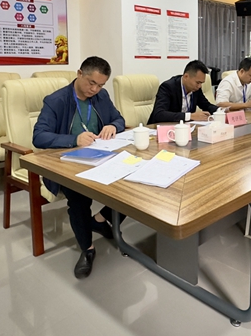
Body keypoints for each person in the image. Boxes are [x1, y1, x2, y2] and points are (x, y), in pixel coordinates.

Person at [32, 56, 126, 279]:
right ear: (79, 74)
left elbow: (119, 119)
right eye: (91, 83)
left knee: (131, 183)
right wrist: (74, 139)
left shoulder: (102, 96)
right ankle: (87, 249)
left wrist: (113, 126)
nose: (95, 89)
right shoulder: (56, 101)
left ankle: (100, 220)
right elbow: (39, 136)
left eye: (100, 85)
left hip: (101, 157)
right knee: (79, 197)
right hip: (67, 162)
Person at [148, 60, 218, 124]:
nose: (199, 86)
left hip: (184, 128)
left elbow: (207, 105)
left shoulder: (196, 89)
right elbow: (159, 114)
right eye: (198, 82)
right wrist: (190, 116)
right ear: (186, 76)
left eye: (201, 83)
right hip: (159, 128)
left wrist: (221, 110)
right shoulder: (168, 87)